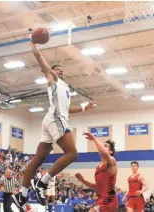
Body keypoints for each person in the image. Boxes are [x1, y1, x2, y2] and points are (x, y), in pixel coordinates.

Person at [12, 37, 96, 211]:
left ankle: (22, 193)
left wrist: (83, 107)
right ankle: (43, 182)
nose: (60, 71)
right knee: (72, 153)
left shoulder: (65, 88)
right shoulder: (53, 80)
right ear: (53, 71)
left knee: (38, 159)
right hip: (55, 119)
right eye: (57, 69)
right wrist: (33, 45)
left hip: (52, 118)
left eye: (62, 69)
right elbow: (42, 63)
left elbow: (67, 109)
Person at [75, 132, 118, 212]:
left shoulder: (112, 160)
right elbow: (97, 186)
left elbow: (105, 153)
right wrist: (82, 180)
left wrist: (94, 138)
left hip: (109, 199)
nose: (102, 147)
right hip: (101, 199)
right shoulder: (98, 167)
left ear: (111, 152)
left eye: (105, 146)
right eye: (102, 146)